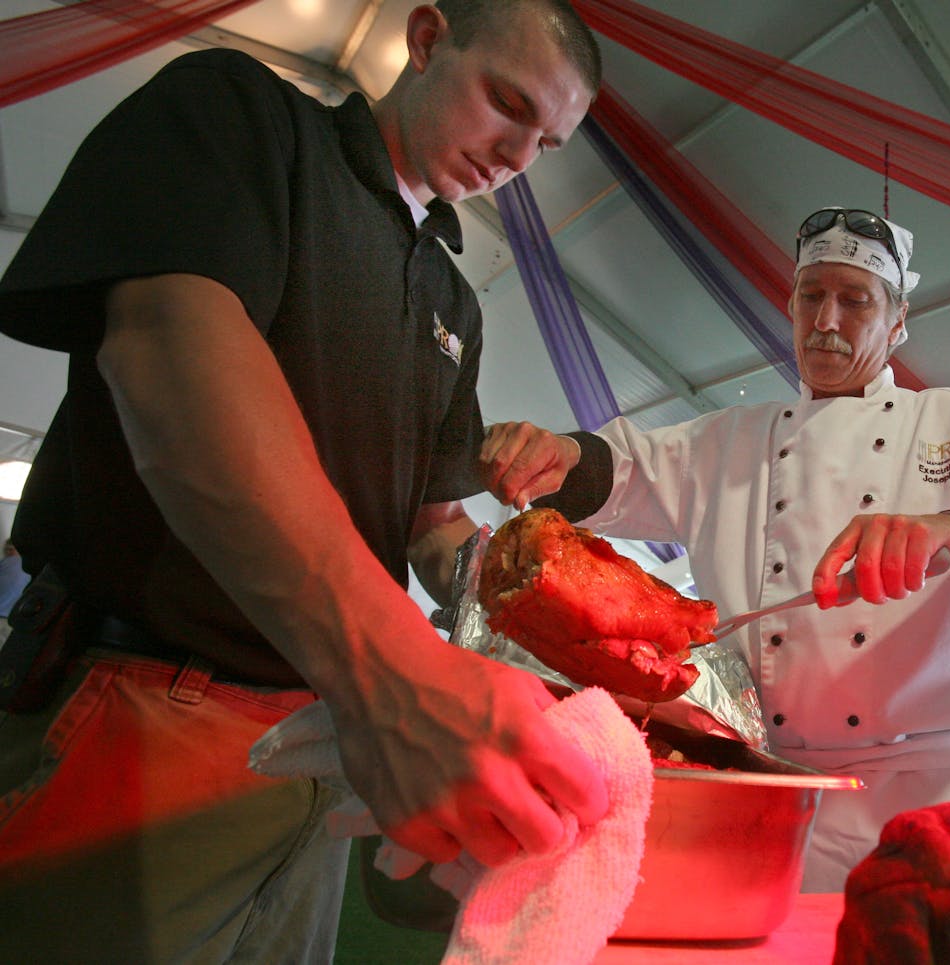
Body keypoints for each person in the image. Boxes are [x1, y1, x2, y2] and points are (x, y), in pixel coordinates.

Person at [0, 1, 607, 960]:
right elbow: (169, 350)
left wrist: (535, 589)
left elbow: (431, 523)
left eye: (549, 140)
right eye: (506, 101)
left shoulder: (454, 299)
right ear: (428, 36)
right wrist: (397, 675)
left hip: (331, 743)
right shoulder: (245, 118)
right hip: (152, 700)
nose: (517, 154)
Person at [480, 206, 950, 892]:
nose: (826, 321)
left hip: (938, 791)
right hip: (778, 790)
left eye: (855, 300)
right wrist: (562, 452)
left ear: (898, 322)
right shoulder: (731, 442)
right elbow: (625, 466)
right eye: (811, 296)